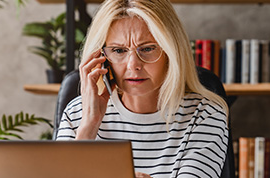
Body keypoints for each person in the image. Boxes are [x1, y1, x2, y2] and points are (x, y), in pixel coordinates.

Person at [56, 0, 229, 177]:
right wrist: (89, 127)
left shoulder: (205, 114)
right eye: (118, 50)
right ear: (102, 57)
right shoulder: (77, 113)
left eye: (147, 48)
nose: (133, 65)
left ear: (172, 52)